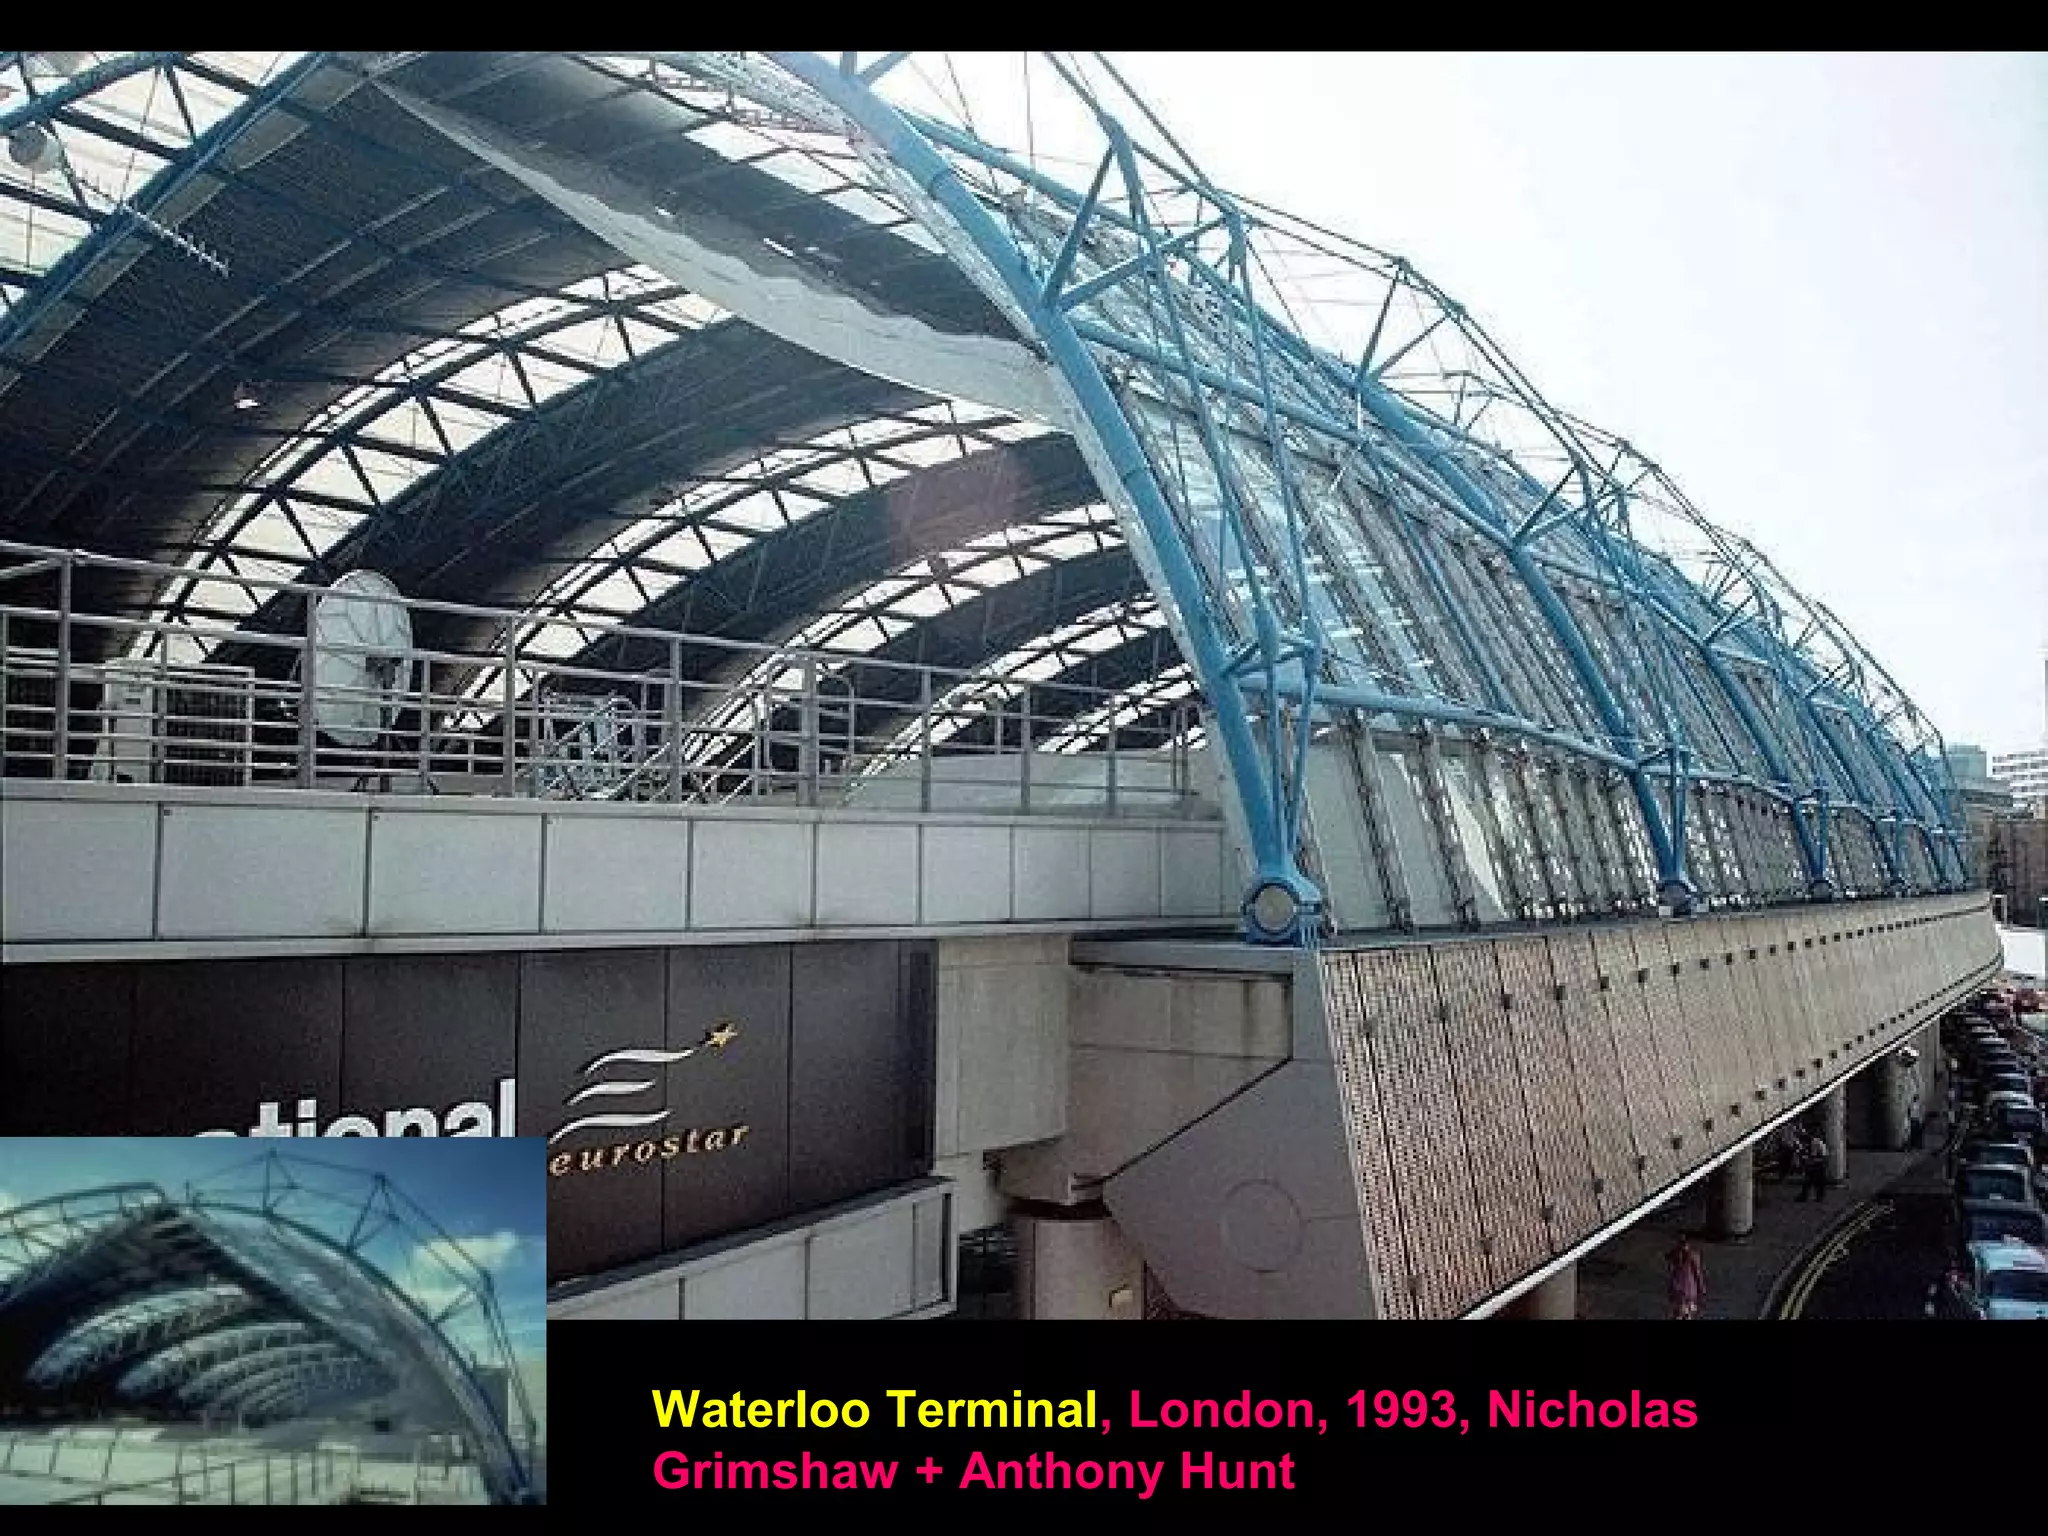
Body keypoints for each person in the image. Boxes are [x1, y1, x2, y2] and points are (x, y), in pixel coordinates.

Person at [1665, 1234, 1706, 1320]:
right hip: (1689, 1289)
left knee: (1679, 1312)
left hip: (1678, 1288)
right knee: (1686, 1313)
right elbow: (1698, 1273)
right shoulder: (1693, 1255)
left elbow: (1668, 1261)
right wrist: (1701, 1289)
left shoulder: (1677, 1254)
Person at [1796, 1130, 1829, 1202]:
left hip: (1820, 1162)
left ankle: (1817, 1196)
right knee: (1809, 1179)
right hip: (1816, 1162)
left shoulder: (1815, 1143)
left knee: (1817, 1180)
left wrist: (1807, 1160)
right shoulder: (1809, 1143)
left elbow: (1817, 1156)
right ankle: (1805, 1195)